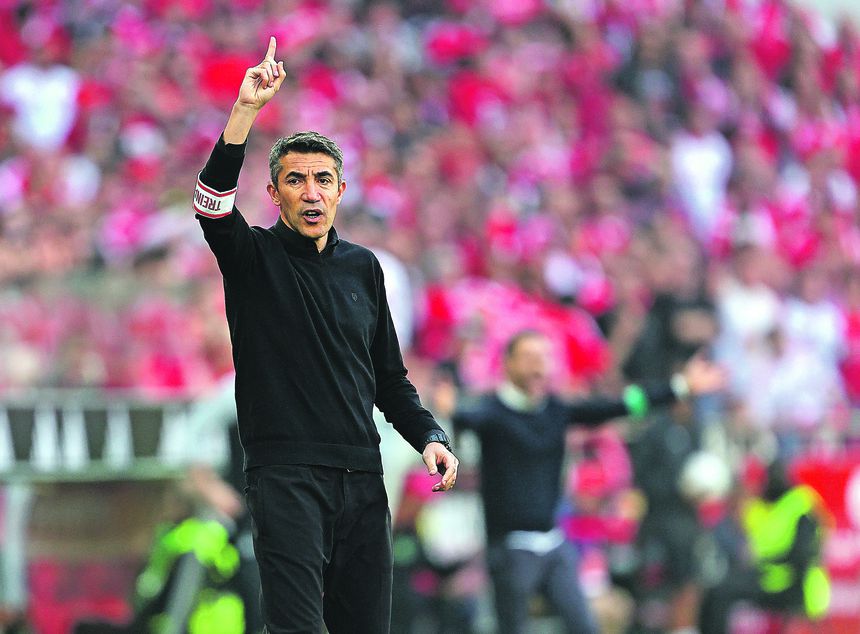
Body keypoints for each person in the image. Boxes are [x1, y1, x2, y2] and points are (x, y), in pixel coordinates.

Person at [192, 37, 459, 633]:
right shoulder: (253, 257)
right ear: (275, 193)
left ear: (340, 190)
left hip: (363, 476)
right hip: (284, 474)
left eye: (322, 179)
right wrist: (245, 112)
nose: (310, 191)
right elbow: (210, 205)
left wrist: (428, 437)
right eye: (295, 180)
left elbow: (389, 378)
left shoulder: (364, 267)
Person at [433, 329, 724, 634]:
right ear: (508, 364)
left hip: (553, 543)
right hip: (510, 547)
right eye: (529, 358)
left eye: (543, 358)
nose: (538, 367)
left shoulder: (555, 411)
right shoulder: (492, 412)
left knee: (584, 625)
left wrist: (679, 387)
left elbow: (620, 405)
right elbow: (464, 417)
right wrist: (450, 410)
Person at [698, 459, 831, 634]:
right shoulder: (763, 506)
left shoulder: (800, 504)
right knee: (716, 590)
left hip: (794, 585)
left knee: (723, 592)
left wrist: (766, 561)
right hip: (768, 578)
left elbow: (802, 556)